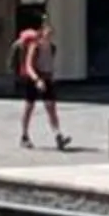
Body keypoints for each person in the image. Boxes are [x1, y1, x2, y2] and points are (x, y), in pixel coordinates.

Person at [14, 19, 72, 152]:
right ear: (42, 33)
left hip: (46, 78)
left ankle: (58, 135)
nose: (50, 36)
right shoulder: (35, 46)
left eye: (52, 34)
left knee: (51, 108)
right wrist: (37, 80)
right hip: (34, 79)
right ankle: (24, 136)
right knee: (29, 107)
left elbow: (49, 64)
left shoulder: (52, 47)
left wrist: (50, 78)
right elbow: (29, 66)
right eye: (48, 33)